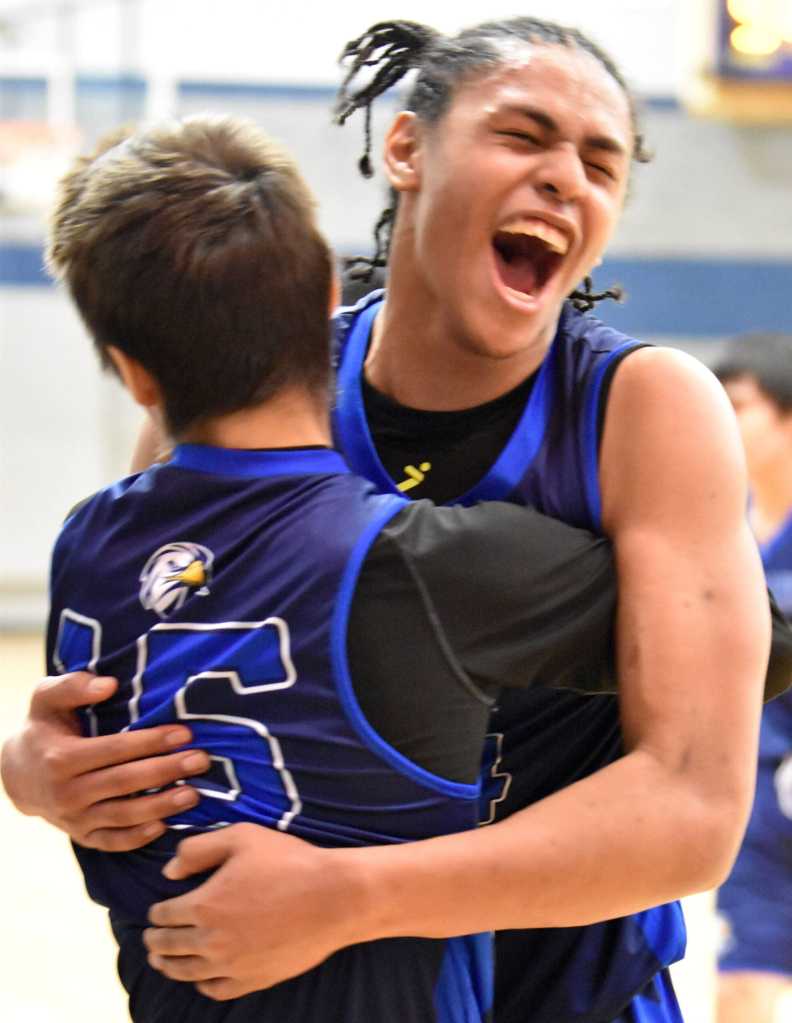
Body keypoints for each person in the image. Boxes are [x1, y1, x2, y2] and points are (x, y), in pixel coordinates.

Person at [0, 17, 786, 1022]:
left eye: (601, 161)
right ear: (405, 147)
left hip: (571, 992)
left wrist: (350, 899)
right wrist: (38, 770)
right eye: (525, 135)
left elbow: (692, 811)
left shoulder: (647, 406)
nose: (566, 178)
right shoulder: (249, 378)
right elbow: (141, 669)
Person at [33, 110, 637, 1023]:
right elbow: (746, 643)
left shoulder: (86, 545)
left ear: (134, 373)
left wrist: (23, 766)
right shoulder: (430, 567)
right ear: (328, 294)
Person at [713, 334, 792, 1023]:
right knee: (742, 985)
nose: (722, 423)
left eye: (739, 406)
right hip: (754, 797)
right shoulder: (721, 531)